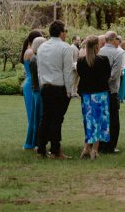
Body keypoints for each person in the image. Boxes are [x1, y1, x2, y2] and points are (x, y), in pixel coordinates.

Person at [36, 20, 74, 159]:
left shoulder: (42, 47)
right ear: (61, 32)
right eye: (65, 31)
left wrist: (41, 84)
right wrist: (69, 90)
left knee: (45, 118)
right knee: (57, 119)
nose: (66, 34)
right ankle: (55, 150)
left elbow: (40, 69)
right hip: (59, 88)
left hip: (45, 86)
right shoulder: (65, 48)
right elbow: (67, 71)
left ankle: (41, 149)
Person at [76, 35, 111, 160]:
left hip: (86, 95)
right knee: (99, 122)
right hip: (100, 94)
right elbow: (108, 75)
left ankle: (86, 147)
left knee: (89, 121)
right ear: (97, 46)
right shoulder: (103, 60)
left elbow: (80, 75)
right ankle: (94, 150)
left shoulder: (80, 61)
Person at [98, 31, 123, 154]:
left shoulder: (99, 51)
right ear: (113, 39)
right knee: (113, 119)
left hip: (99, 89)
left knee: (102, 118)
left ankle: (101, 144)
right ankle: (111, 146)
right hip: (111, 90)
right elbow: (114, 74)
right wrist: (106, 81)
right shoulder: (118, 53)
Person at [22, 29, 44, 150]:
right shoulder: (32, 53)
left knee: (33, 115)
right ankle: (32, 142)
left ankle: (32, 141)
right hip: (32, 84)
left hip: (29, 83)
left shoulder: (27, 50)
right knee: (34, 116)